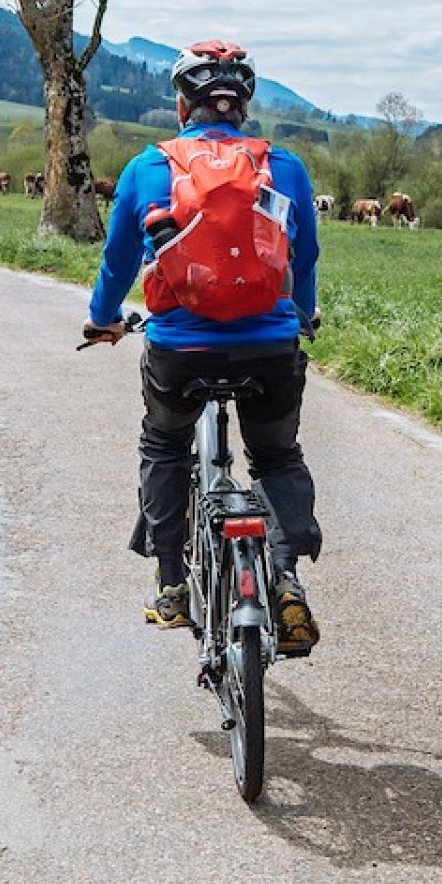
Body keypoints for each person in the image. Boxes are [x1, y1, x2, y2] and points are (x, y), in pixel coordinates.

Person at [82, 40, 323, 652]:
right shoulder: (285, 166)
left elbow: (116, 263)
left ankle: (171, 587)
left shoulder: (148, 168)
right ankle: (286, 579)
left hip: (179, 347)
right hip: (269, 345)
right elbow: (305, 255)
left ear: (182, 103)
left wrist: (103, 319)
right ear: (242, 104)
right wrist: (299, 315)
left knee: (164, 443)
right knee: (275, 457)